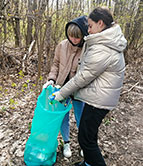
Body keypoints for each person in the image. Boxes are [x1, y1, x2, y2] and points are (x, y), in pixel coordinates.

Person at [53, 7, 127, 166]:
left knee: (86, 139)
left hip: (98, 100)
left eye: (90, 26)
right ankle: (87, 163)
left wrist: (61, 94)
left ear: (101, 24)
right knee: (88, 136)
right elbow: (57, 65)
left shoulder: (103, 48)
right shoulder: (105, 40)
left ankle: (93, 162)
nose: (89, 30)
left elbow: (82, 77)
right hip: (97, 95)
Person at [43, 16, 88, 158]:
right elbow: (56, 64)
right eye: (70, 36)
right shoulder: (62, 45)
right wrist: (51, 79)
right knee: (63, 117)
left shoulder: (88, 48)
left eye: (77, 37)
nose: (73, 40)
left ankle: (84, 144)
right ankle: (66, 142)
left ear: (83, 35)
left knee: (82, 118)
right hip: (61, 88)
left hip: (80, 89)